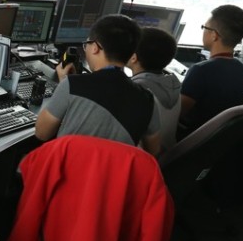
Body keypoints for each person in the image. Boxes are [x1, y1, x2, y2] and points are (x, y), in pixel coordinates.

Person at [35, 14, 162, 155]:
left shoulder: (72, 85)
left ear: (95, 47)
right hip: (112, 176)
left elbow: (42, 133)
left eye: (87, 44)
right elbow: (152, 152)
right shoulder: (148, 100)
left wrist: (64, 81)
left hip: (65, 173)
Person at [177, 4, 243, 138]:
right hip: (218, 142)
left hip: (193, 141)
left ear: (214, 35)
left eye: (205, 28)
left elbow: (177, 113)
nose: (203, 31)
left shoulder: (201, 70)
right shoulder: (241, 69)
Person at [127, 27, 183, 151]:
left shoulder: (138, 93)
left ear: (133, 57)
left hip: (145, 160)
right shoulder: (173, 86)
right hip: (167, 158)